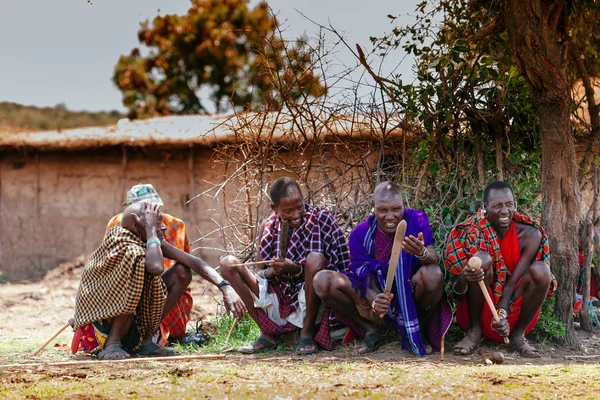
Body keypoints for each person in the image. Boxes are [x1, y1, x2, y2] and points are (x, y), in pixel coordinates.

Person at [71, 202, 246, 360]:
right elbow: (155, 267)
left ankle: (147, 341)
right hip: (104, 328)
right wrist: (151, 231)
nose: (163, 228)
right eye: (156, 223)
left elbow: (194, 262)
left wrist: (225, 287)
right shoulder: (122, 244)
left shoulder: (145, 239)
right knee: (134, 271)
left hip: (133, 325)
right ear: (137, 224)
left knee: (181, 272)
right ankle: (113, 343)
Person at [313, 181, 452, 355]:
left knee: (433, 274)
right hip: (376, 296)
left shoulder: (417, 220)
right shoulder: (360, 235)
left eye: (396, 209)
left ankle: (417, 329)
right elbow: (363, 275)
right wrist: (375, 299)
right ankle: (371, 330)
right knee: (323, 280)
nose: (390, 216)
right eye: (383, 210)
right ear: (373, 207)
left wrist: (421, 252)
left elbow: (432, 256)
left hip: (410, 293)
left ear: (404, 205)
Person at [219, 177, 350, 355]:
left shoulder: (321, 219)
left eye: (299, 207)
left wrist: (295, 268)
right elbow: (260, 272)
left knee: (315, 258)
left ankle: (307, 333)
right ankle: (268, 334)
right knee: (227, 263)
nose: (296, 215)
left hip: (312, 299)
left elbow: (336, 268)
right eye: (288, 211)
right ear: (275, 209)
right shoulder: (269, 226)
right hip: (278, 297)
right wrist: (272, 271)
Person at [444, 181, 556, 358]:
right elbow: (457, 294)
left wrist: (502, 313)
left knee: (542, 270)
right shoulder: (471, 232)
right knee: (481, 259)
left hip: (512, 310)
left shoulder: (531, 235)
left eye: (509, 204)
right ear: (485, 207)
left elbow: (511, 286)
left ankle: (519, 336)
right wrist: (465, 277)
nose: (505, 211)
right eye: (497, 205)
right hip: (477, 311)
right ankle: (474, 333)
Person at [105, 184, 192, 344]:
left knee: (143, 277)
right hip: (132, 299)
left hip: (162, 297)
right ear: (135, 217)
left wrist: (223, 283)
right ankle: (116, 340)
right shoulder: (121, 225)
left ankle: (148, 337)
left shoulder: (168, 227)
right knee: (134, 275)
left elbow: (161, 267)